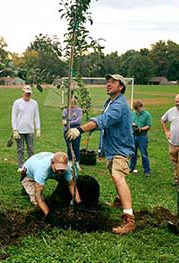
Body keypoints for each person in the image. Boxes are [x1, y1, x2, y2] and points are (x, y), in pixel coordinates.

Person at [66, 74, 136, 235]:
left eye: (113, 82)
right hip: (112, 148)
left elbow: (104, 119)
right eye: (108, 81)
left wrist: (80, 129)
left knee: (118, 177)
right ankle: (120, 202)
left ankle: (129, 219)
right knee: (115, 175)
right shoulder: (109, 102)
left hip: (121, 149)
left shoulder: (119, 105)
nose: (108, 84)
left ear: (121, 87)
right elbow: (103, 123)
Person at [20, 152, 81, 221]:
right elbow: (38, 195)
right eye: (58, 169)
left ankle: (60, 194)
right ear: (52, 162)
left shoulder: (68, 168)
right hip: (29, 174)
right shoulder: (42, 169)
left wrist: (79, 203)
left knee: (66, 180)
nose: (60, 172)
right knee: (36, 201)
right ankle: (26, 188)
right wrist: (48, 214)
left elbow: (72, 185)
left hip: (42, 165)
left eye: (62, 170)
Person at [11, 85, 41, 172]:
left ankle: (30, 166)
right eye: (26, 93)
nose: (28, 95)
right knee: (20, 149)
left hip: (30, 129)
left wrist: (38, 128)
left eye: (29, 94)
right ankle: (21, 166)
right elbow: (14, 117)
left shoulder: (34, 103)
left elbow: (36, 117)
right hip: (20, 130)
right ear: (23, 93)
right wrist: (15, 130)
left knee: (30, 149)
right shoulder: (17, 103)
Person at [129, 100, 152, 177]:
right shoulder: (132, 114)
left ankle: (147, 170)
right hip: (133, 136)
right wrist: (133, 126)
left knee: (144, 154)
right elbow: (130, 122)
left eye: (138, 109)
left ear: (141, 107)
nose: (137, 111)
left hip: (142, 136)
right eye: (136, 110)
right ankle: (131, 167)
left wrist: (140, 129)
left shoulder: (147, 115)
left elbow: (149, 126)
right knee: (133, 153)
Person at [62, 97, 83, 170]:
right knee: (69, 147)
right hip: (67, 131)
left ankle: (77, 163)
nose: (72, 104)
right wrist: (69, 123)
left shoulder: (79, 110)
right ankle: (70, 162)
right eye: (71, 103)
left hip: (76, 131)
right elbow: (64, 122)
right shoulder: (65, 110)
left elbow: (79, 121)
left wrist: (69, 122)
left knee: (76, 147)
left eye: (74, 103)